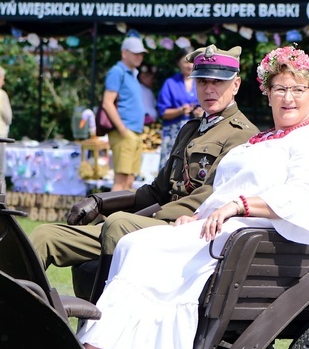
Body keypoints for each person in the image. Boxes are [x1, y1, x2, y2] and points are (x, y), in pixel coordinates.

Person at [78, 45, 309, 349]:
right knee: (133, 244)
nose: (288, 98)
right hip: (221, 230)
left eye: (298, 89)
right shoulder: (262, 139)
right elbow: (226, 189)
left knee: (142, 247)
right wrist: (200, 214)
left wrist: (238, 206)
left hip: (253, 239)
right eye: (280, 89)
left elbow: (298, 199)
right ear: (268, 94)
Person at [28, 45, 257, 275]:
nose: (209, 89)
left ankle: (102, 312)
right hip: (156, 226)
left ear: (235, 85)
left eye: (217, 82)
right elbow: (156, 191)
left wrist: (149, 216)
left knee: (118, 224)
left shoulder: (241, 134)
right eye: (202, 82)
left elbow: (211, 196)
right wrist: (100, 202)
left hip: (190, 229)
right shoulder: (191, 129)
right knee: (45, 236)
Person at [102, 37, 147, 191]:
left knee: (129, 181)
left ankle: (119, 214)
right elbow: (107, 102)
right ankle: (108, 216)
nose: (139, 57)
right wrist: (122, 129)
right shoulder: (117, 71)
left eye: (141, 54)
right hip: (124, 132)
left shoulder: (132, 73)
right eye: (135, 53)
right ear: (124, 53)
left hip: (134, 132)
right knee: (120, 181)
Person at [157, 47, 204, 169]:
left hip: (196, 131)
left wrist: (201, 112)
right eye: (186, 61)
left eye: (192, 62)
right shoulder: (170, 83)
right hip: (173, 133)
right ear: (178, 63)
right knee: (169, 167)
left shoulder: (203, 81)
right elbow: (163, 112)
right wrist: (180, 111)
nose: (189, 65)